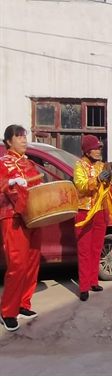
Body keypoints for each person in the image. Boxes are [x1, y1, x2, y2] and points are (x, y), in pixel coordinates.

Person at [0, 125, 42, 332]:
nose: (24, 140)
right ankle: (8, 311)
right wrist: (10, 181)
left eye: (24, 136)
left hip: (33, 216)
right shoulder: (3, 163)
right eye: (18, 137)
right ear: (8, 141)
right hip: (13, 217)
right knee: (17, 264)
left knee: (32, 262)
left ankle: (23, 303)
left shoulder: (30, 163)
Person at [73, 136, 112, 302]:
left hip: (100, 211)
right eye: (95, 148)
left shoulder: (101, 165)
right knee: (84, 250)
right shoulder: (79, 166)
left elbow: (108, 188)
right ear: (87, 151)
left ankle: (93, 281)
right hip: (85, 212)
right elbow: (81, 185)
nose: (98, 150)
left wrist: (110, 177)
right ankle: (84, 287)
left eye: (99, 148)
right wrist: (97, 180)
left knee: (97, 248)